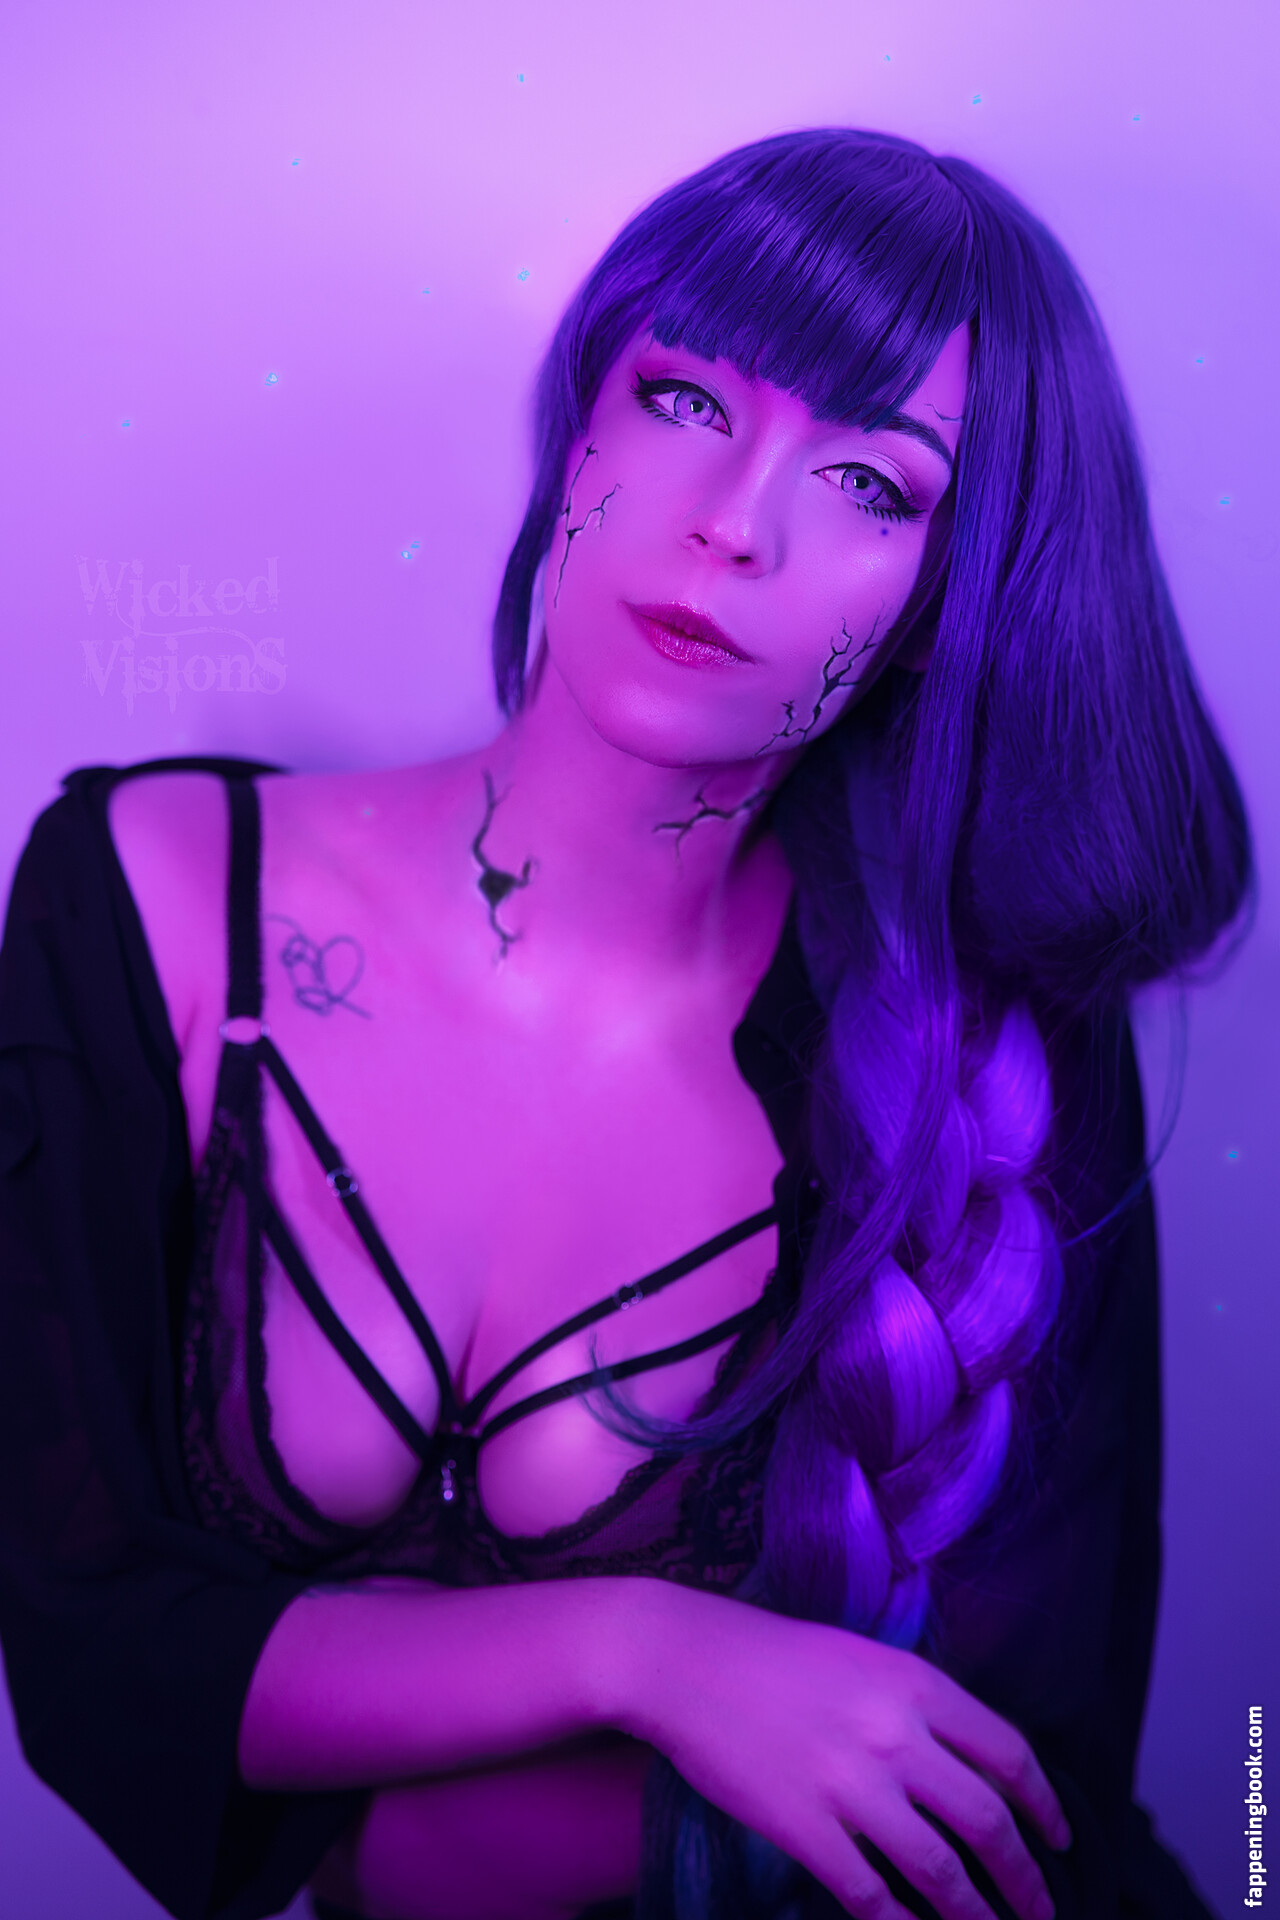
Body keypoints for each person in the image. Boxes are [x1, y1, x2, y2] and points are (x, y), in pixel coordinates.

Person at [0, 128, 1252, 1920]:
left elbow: (1008, 1791)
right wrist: (642, 1654)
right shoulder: (146, 898)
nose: (735, 522)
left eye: (872, 483)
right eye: (685, 399)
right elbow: (87, 1634)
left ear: (936, 612)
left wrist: (475, 1839)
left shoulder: (992, 1058)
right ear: (581, 417)